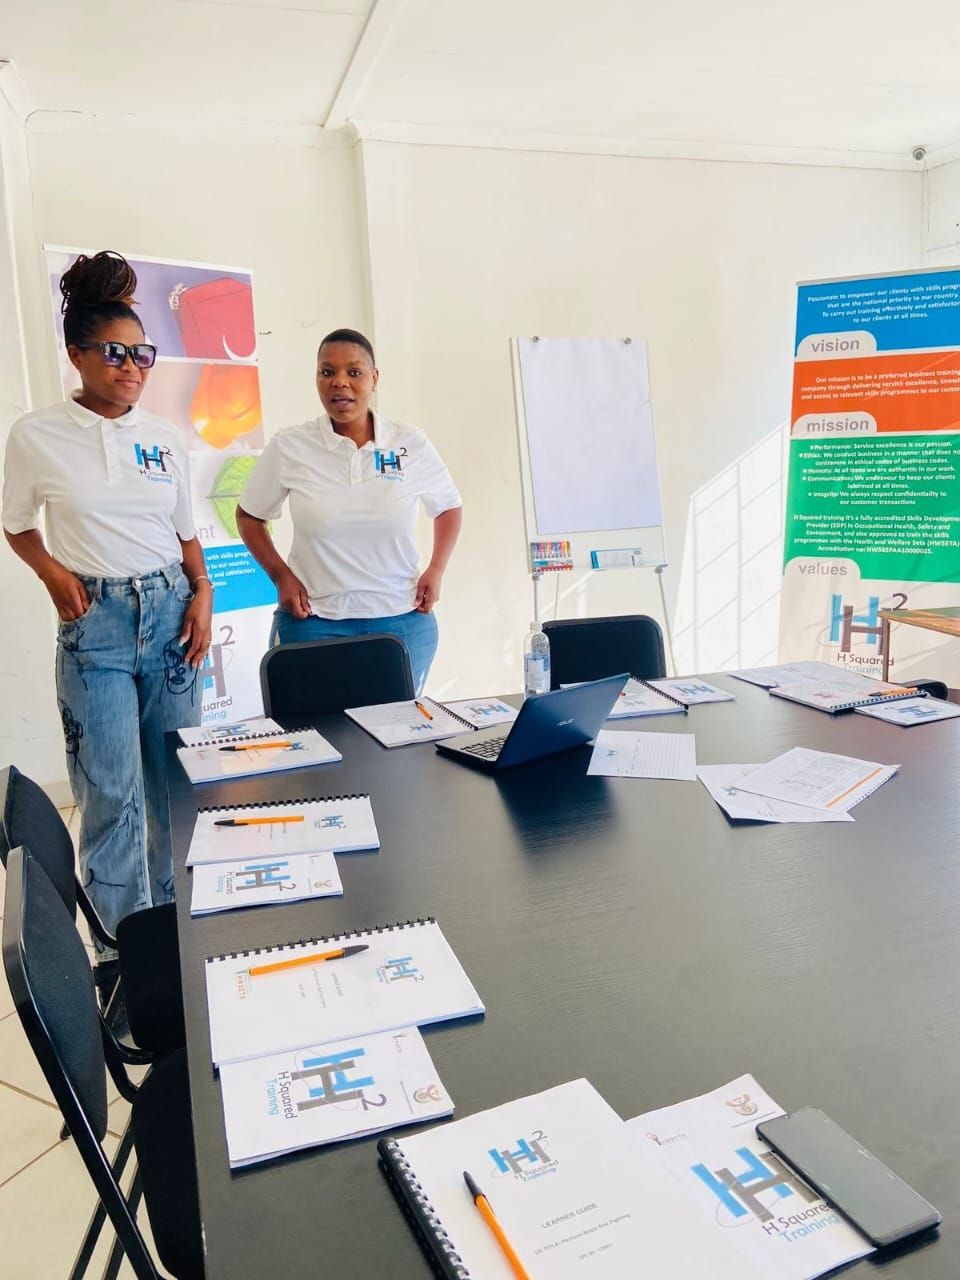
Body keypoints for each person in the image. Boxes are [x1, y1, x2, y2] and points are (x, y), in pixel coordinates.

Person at [2, 250, 213, 963]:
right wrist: (50, 573)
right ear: (77, 355)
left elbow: (186, 532)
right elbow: (16, 522)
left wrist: (204, 595)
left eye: (142, 354)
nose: (131, 367)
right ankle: (130, 963)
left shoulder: (163, 437)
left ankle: (176, 939)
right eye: (114, 353)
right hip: (96, 627)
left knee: (175, 787)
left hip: (171, 614)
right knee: (112, 798)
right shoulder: (37, 435)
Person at [237, 328, 462, 693]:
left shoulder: (409, 443)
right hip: (314, 622)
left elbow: (449, 506)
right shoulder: (291, 446)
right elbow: (249, 515)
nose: (339, 383)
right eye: (327, 372)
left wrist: (436, 569)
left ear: (374, 378)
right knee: (315, 740)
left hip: (402, 621)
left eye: (353, 372)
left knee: (395, 742)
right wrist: (280, 576)